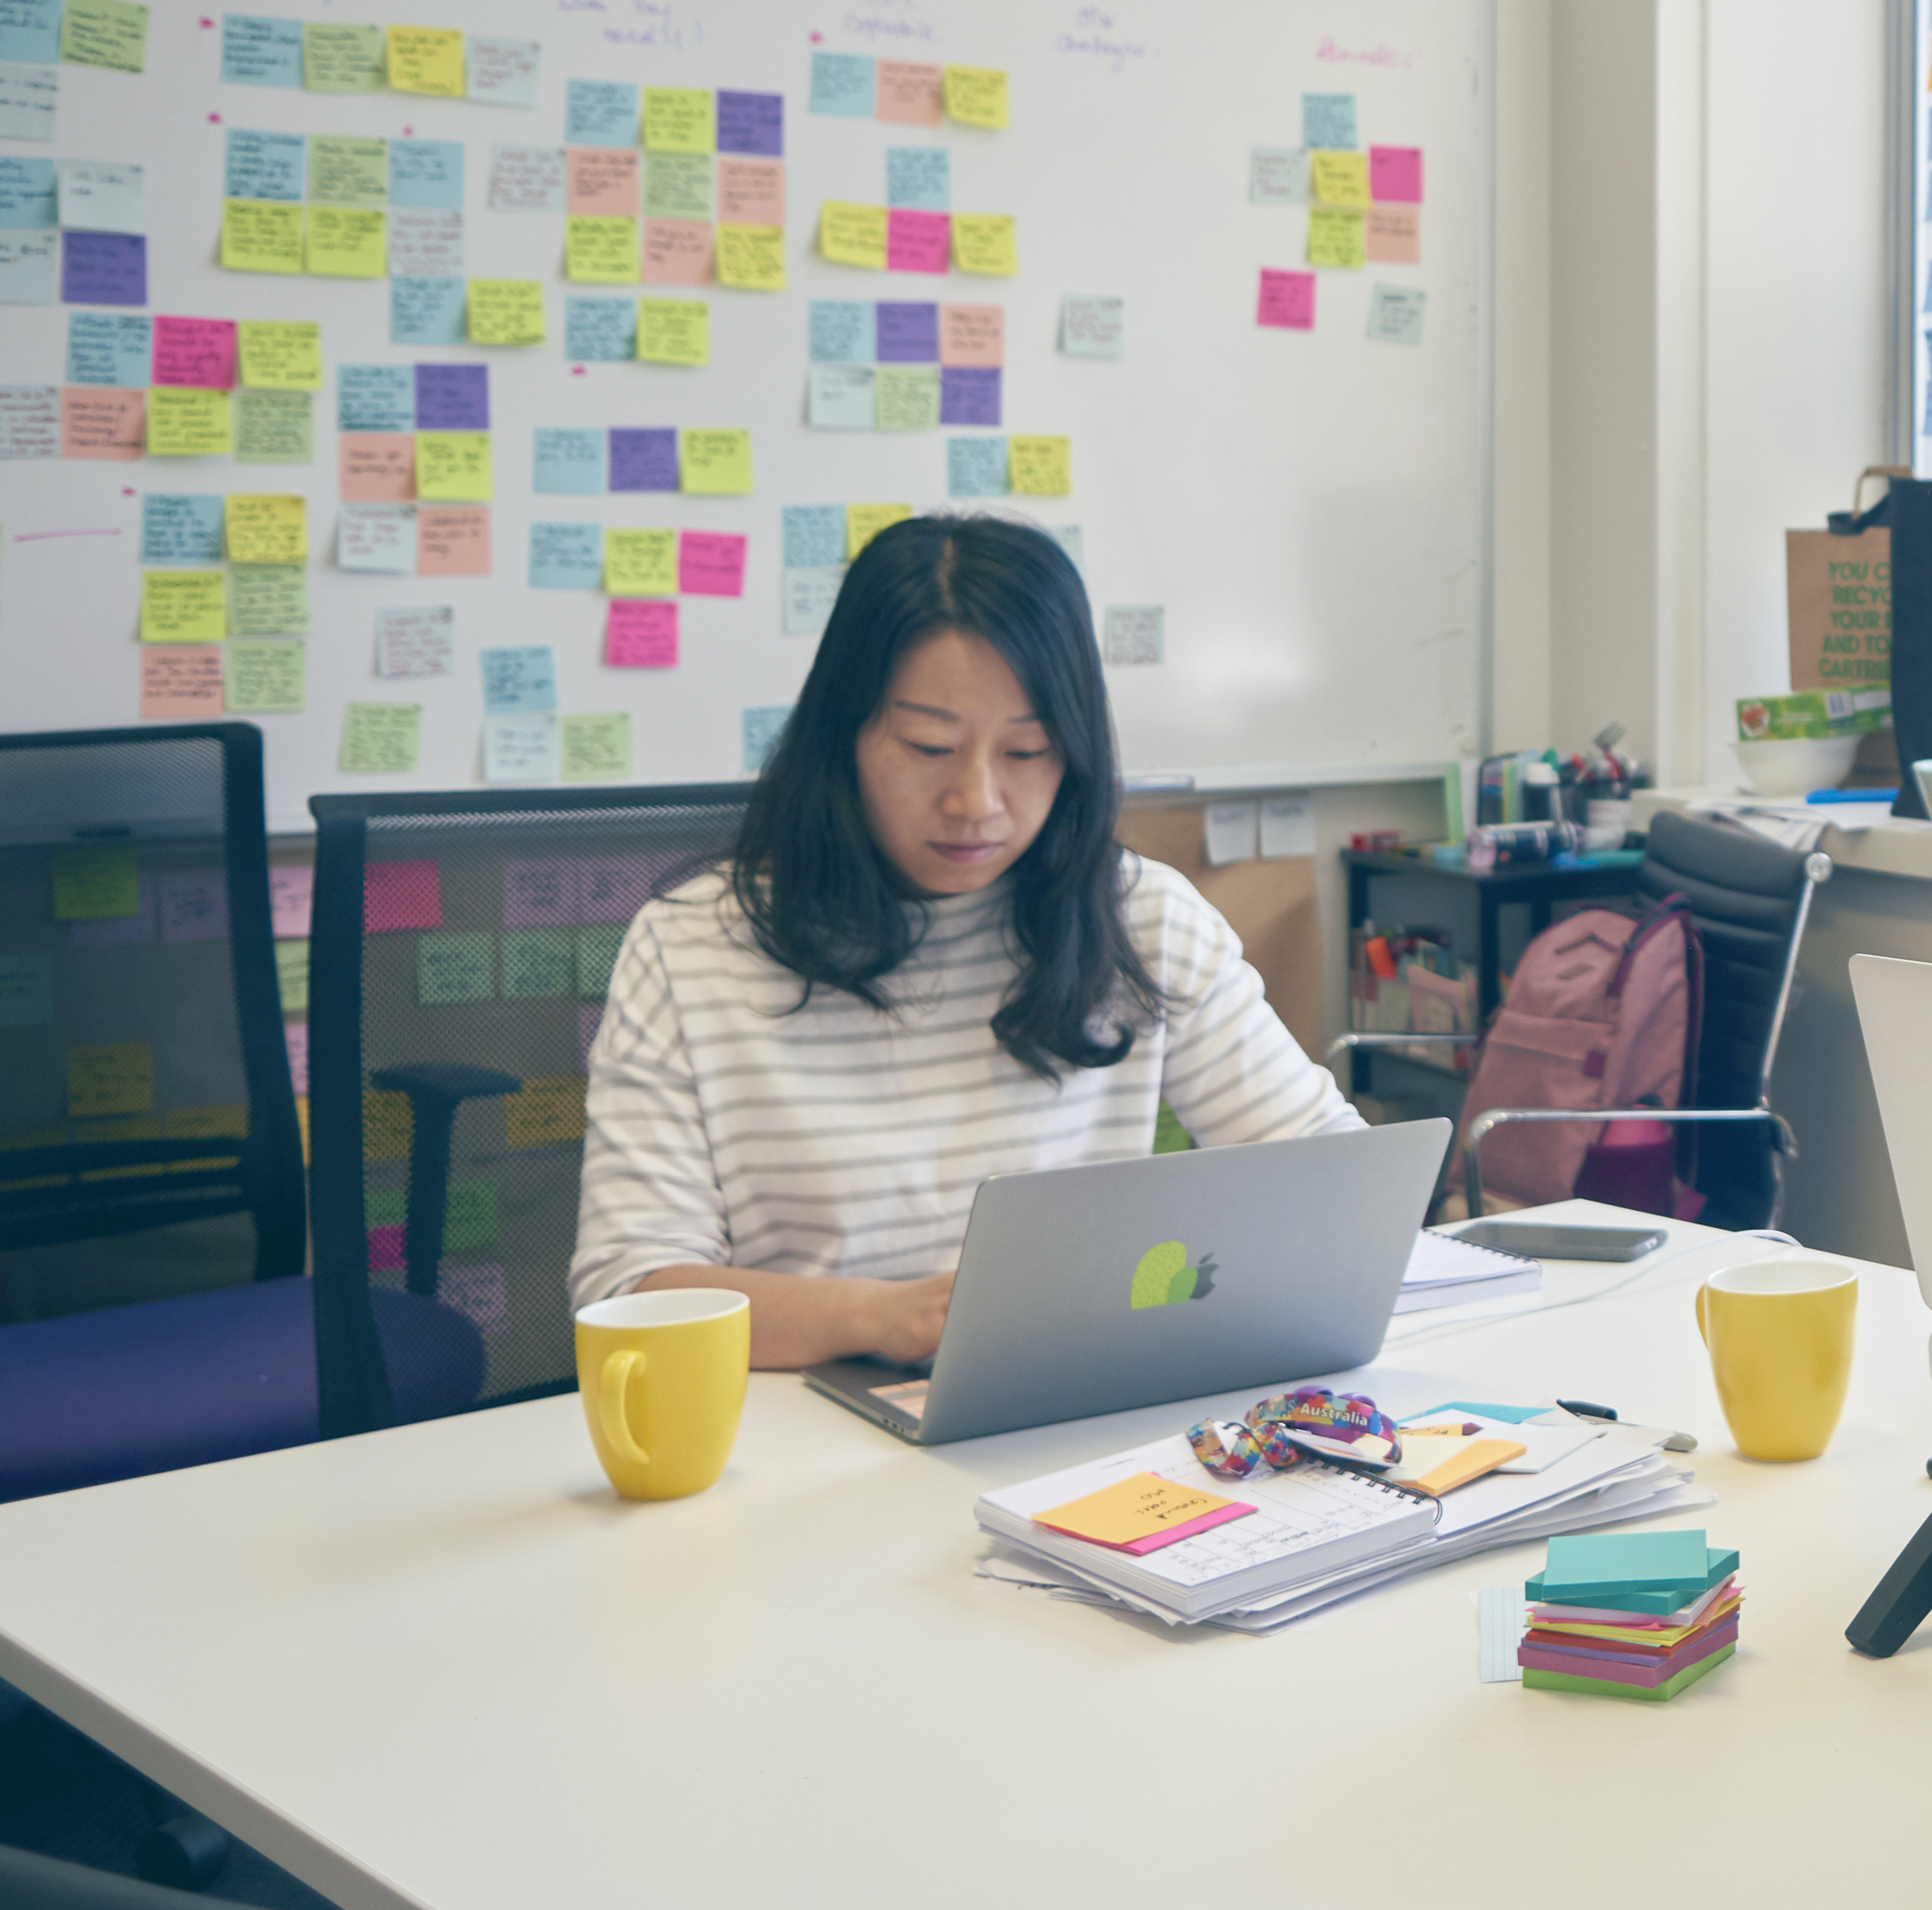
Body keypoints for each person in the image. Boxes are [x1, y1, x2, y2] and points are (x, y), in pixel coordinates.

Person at [572, 516, 1361, 1373]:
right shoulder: (694, 948)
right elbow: (630, 1294)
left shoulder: (1141, 920)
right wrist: (877, 1317)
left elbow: (1333, 1183)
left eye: (1028, 750)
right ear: (844, 736)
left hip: (1075, 1417)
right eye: (929, 747)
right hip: (799, 1442)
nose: (976, 799)